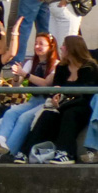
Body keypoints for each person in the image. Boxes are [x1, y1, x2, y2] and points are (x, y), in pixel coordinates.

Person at [23, 35, 97, 163]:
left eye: (64, 45)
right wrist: (55, 98)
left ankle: (67, 153)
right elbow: (55, 89)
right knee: (47, 115)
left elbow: (86, 95)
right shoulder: (61, 68)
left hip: (83, 106)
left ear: (73, 49)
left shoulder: (90, 68)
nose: (61, 48)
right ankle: (25, 151)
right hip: (62, 105)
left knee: (70, 114)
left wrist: (63, 101)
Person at [0, 34, 59, 161]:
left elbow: (46, 83)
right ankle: (1, 139)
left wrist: (25, 74)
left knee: (24, 118)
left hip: (46, 102)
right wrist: (17, 75)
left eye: (41, 44)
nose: (37, 46)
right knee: (11, 112)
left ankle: (10, 151)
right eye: (36, 43)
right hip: (33, 100)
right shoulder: (31, 62)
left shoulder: (56, 64)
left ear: (50, 47)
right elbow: (16, 84)